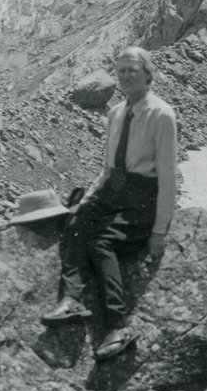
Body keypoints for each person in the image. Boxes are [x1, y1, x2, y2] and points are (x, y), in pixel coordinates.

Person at [43, 47, 178, 360]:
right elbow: (107, 170)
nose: (126, 76)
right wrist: (88, 201)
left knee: (104, 243)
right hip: (113, 189)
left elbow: (169, 178)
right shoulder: (116, 113)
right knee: (76, 223)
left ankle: (118, 325)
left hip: (143, 196)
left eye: (133, 70)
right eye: (121, 72)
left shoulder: (162, 115)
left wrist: (160, 230)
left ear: (148, 74)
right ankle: (72, 300)